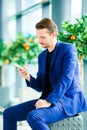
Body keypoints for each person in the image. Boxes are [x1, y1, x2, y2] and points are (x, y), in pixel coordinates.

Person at [3, 18, 87, 130]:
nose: (39, 41)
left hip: (67, 101)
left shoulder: (68, 49)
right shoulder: (42, 56)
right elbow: (40, 86)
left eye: (42, 37)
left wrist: (48, 101)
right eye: (38, 37)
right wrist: (28, 77)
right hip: (49, 100)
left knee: (34, 116)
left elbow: (66, 79)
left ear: (53, 35)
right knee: (9, 113)